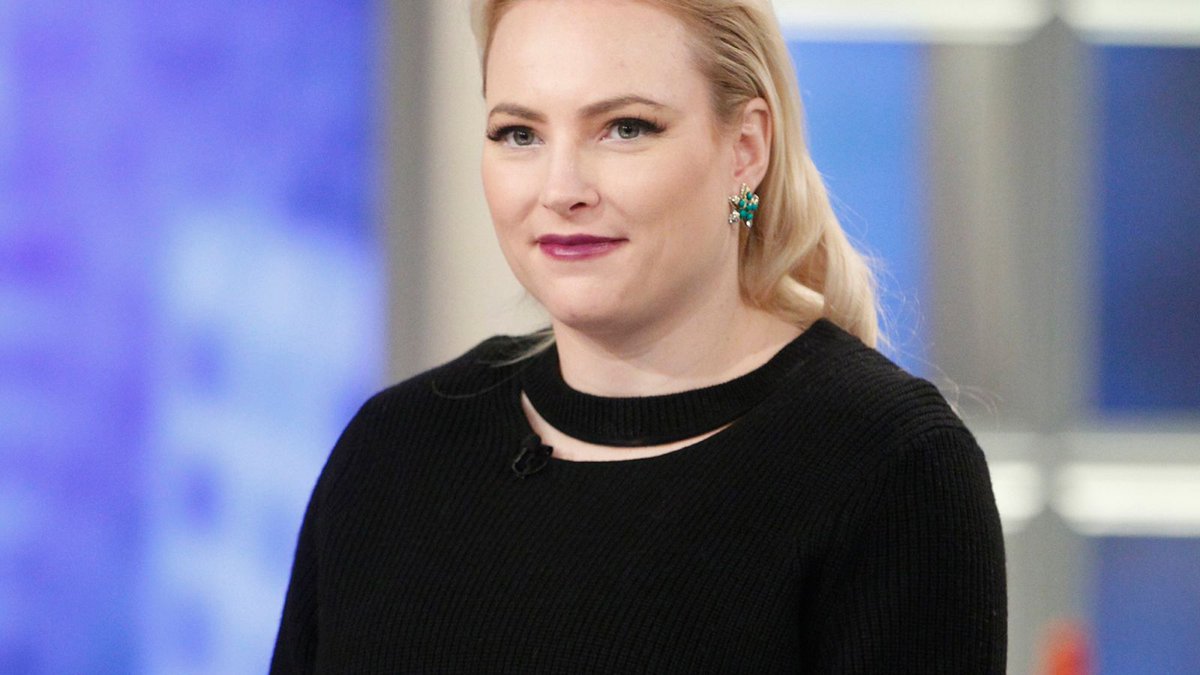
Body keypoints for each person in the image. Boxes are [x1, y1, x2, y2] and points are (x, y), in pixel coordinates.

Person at [270, 0, 1007, 672]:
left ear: (746, 149)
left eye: (625, 128)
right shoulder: (394, 448)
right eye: (520, 133)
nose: (561, 189)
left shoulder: (890, 470)